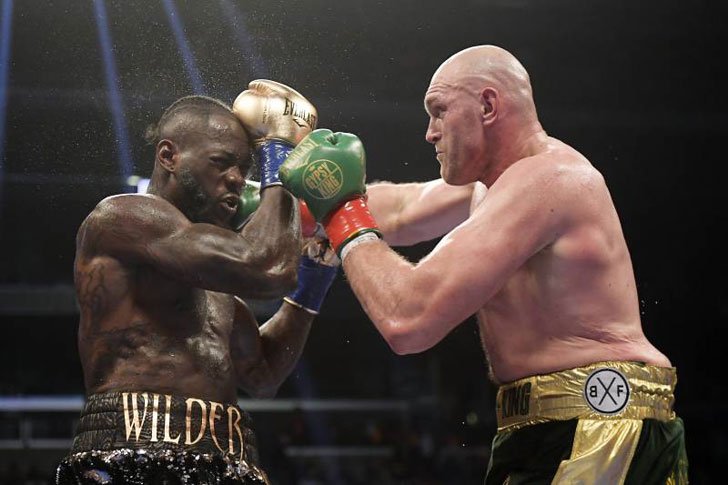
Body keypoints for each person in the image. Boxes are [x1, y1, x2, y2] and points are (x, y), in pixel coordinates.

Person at [279, 46, 688, 484]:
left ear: (488, 106)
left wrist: (340, 212)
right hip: (545, 426)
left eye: (439, 111)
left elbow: (408, 317)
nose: (429, 133)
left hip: (598, 424)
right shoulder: (494, 186)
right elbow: (398, 209)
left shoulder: (550, 180)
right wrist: (278, 203)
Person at [56, 82, 338, 484]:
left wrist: (315, 276)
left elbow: (261, 374)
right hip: (132, 452)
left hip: (227, 458)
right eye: (221, 162)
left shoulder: (214, 280)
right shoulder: (123, 218)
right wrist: (280, 152)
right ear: (169, 156)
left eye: (245, 168)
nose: (238, 179)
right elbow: (267, 267)